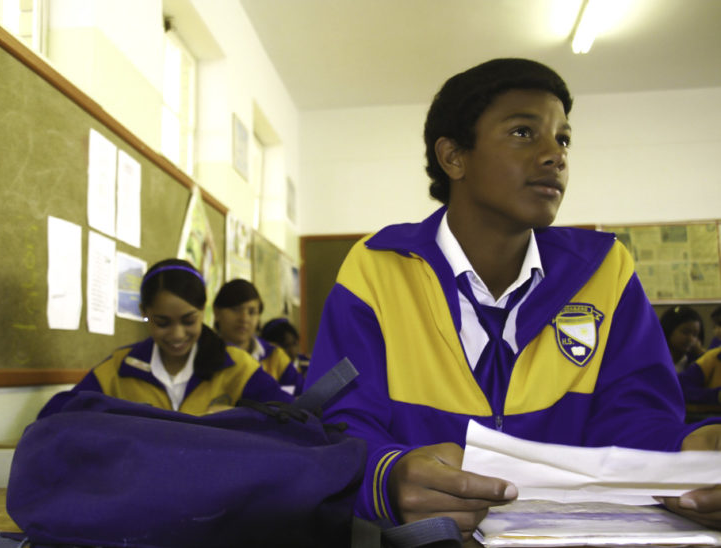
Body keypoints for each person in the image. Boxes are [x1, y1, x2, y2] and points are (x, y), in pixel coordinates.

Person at [305, 58, 721, 540]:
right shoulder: (376, 267)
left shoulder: (607, 270)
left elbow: (634, 421)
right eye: (524, 133)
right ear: (454, 157)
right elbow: (341, 426)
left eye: (563, 139)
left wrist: (688, 448)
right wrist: (388, 475)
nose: (555, 155)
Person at [38, 259, 292, 418]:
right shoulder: (121, 368)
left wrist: (241, 416)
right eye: (162, 323)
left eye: (189, 321)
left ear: (204, 311)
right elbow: (53, 416)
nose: (177, 335)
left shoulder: (236, 366)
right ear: (143, 313)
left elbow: (292, 415)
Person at [213, 279, 304, 394]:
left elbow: (302, 397)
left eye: (252, 312)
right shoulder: (203, 355)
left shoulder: (274, 357)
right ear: (216, 312)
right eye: (235, 310)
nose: (244, 319)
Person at [660, 305, 706, 372]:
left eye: (695, 335)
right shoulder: (656, 359)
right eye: (685, 332)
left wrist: (704, 355)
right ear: (668, 330)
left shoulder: (696, 362)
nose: (691, 339)